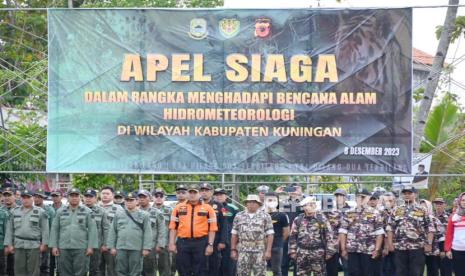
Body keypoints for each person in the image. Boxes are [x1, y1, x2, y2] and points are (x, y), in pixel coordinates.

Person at [168, 184, 217, 276]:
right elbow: (173, 227)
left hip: (201, 243)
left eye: (195, 192)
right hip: (183, 243)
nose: (192, 195)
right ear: (187, 194)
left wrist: (210, 244)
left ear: (199, 194)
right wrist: (171, 243)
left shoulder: (208, 208)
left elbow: (212, 229)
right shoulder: (178, 208)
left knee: (200, 270)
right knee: (183, 269)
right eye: (190, 192)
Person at [49, 188, 98, 276]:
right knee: (64, 272)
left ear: (80, 198)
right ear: (67, 197)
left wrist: (91, 247)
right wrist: (54, 246)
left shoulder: (87, 212)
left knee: (81, 272)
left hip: (81, 248)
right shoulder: (60, 211)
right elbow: (55, 229)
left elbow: (92, 230)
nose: (74, 198)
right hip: (63, 248)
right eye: (72, 196)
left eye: (76, 196)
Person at [387, 186, 435, 276]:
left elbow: (430, 227)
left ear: (415, 195)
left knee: (416, 272)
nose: (407, 195)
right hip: (400, 247)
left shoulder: (422, 209)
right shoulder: (396, 209)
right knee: (400, 272)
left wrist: (429, 244)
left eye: (409, 193)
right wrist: (390, 244)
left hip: (417, 247)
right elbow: (390, 228)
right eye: (405, 193)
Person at [339, 188, 384, 276]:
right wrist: (343, 248)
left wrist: (377, 249)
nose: (360, 199)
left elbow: (379, 233)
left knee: (368, 273)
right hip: (352, 249)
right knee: (353, 273)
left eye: (363, 197)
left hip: (368, 250)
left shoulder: (375, 213)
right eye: (358, 197)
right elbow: (343, 232)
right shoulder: (348, 213)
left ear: (368, 198)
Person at [4, 189, 49, 276]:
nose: (26, 200)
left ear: (32, 199)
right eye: (24, 198)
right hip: (18, 245)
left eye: (28, 197)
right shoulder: (14, 211)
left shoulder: (41, 212)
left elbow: (45, 229)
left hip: (34, 245)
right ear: (21, 199)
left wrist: (44, 244)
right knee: (19, 270)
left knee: (33, 271)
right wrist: (9, 244)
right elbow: (9, 229)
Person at [107, 191, 152, 276]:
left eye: (131, 200)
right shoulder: (118, 214)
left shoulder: (144, 215)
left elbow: (148, 232)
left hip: (136, 248)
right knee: (120, 271)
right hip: (121, 247)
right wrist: (111, 247)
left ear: (137, 201)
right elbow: (113, 231)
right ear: (124, 201)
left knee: (135, 272)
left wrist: (146, 248)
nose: (129, 202)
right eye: (127, 200)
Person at [289, 196, 336, 275]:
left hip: (318, 253)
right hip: (302, 253)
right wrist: (292, 251)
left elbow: (329, 236)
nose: (306, 208)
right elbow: (293, 236)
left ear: (314, 205)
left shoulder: (322, 219)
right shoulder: (298, 219)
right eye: (304, 206)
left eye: (308, 205)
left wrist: (329, 252)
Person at [231, 194, 274, 276]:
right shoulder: (239, 216)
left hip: (259, 251)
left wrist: (268, 251)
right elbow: (234, 234)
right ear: (246, 204)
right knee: (242, 273)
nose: (251, 204)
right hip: (243, 250)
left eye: (254, 202)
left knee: (260, 273)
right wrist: (233, 250)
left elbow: (270, 234)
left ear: (258, 204)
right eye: (249, 202)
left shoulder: (265, 216)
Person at [199, 182, 227, 276]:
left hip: (215, 240)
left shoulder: (220, 206)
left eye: (207, 190)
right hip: (199, 240)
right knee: (200, 266)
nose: (204, 192)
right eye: (202, 190)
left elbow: (225, 224)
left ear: (211, 192)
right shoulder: (196, 205)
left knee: (214, 266)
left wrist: (223, 241)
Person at [277, 183, 305, 275]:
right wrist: (276, 194)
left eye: (295, 189)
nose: (293, 191)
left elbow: (311, 209)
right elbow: (270, 205)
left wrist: (300, 195)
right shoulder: (283, 202)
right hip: (285, 236)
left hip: (300, 236)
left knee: (298, 263)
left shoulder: (304, 201)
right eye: (291, 189)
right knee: (283, 263)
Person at [137, 189, 166, 276]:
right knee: (136, 270)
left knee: (149, 270)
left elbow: (162, 229)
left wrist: (160, 244)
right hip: (136, 246)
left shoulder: (157, 212)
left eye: (144, 197)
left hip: (151, 246)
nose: (142, 199)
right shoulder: (134, 212)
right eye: (140, 197)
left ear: (149, 198)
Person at [213, 188, 239, 276]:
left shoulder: (233, 208)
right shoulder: (209, 207)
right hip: (215, 239)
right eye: (216, 195)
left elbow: (238, 225)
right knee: (215, 266)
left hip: (230, 240)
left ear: (226, 196)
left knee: (229, 265)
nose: (219, 197)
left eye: (221, 195)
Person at [83, 189, 109, 276]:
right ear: (83, 198)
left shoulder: (101, 211)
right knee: (80, 269)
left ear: (95, 198)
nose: (88, 199)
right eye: (86, 196)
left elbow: (105, 228)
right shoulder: (78, 209)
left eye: (91, 197)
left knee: (95, 269)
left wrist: (105, 244)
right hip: (80, 244)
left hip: (96, 245)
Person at [324, 188, 350, 276]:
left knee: (347, 267)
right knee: (332, 268)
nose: (338, 197)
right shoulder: (329, 210)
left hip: (346, 243)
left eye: (341, 196)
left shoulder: (351, 210)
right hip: (332, 244)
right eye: (337, 196)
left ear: (345, 197)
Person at [100, 186, 123, 276]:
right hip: (96, 246)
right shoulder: (94, 207)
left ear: (113, 195)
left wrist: (109, 245)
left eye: (107, 193)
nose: (105, 195)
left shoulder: (119, 209)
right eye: (103, 193)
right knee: (97, 270)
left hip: (112, 246)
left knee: (112, 270)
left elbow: (120, 228)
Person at [264, 192, 289, 276]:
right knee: (260, 269)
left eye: (274, 200)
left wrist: (280, 241)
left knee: (276, 270)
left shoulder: (282, 215)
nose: (271, 202)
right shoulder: (260, 214)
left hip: (277, 246)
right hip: (261, 246)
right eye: (269, 200)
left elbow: (286, 232)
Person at [33, 188, 55, 276]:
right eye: (36, 197)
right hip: (32, 241)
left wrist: (49, 243)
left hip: (45, 241)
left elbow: (53, 228)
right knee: (33, 266)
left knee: (45, 266)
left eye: (40, 197)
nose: (37, 199)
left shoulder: (49, 210)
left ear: (43, 198)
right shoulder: (29, 208)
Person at [152, 188, 173, 276]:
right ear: (152, 197)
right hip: (150, 245)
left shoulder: (170, 210)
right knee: (149, 270)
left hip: (165, 244)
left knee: (165, 270)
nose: (159, 198)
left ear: (165, 197)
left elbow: (173, 228)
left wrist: (171, 243)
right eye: (156, 196)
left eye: (161, 196)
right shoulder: (146, 209)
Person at [445, 192, 465, 275]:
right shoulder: (454, 217)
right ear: (460, 202)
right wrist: (448, 249)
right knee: (459, 273)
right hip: (457, 250)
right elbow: (449, 234)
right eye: (463, 200)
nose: (464, 202)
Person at [420, 199, 441, 276]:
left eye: (424, 205)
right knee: (419, 269)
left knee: (432, 269)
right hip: (419, 249)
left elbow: (439, 233)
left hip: (432, 249)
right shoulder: (416, 218)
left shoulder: (434, 219)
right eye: (421, 205)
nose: (422, 207)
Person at [432, 197, 452, 276]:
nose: (438, 206)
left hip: (445, 247)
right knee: (433, 270)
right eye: (436, 204)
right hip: (433, 248)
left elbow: (449, 235)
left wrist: (443, 249)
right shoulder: (430, 216)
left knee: (446, 270)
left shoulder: (449, 217)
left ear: (445, 205)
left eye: (440, 204)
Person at [380, 192, 396, 276]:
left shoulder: (400, 211)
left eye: (390, 200)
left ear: (394, 200)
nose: (388, 202)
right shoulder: (379, 213)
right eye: (386, 200)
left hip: (397, 245)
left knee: (395, 269)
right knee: (384, 269)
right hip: (382, 246)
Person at [3, 186, 17, 276]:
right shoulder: (0, 210)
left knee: (14, 271)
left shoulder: (20, 210)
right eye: (5, 195)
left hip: (15, 246)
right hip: (1, 247)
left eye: (9, 195)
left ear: (15, 196)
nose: (7, 197)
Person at [0, 192, 9, 275]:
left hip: (1, 246)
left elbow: (7, 232)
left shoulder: (3, 213)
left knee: (2, 269)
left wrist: (7, 246)